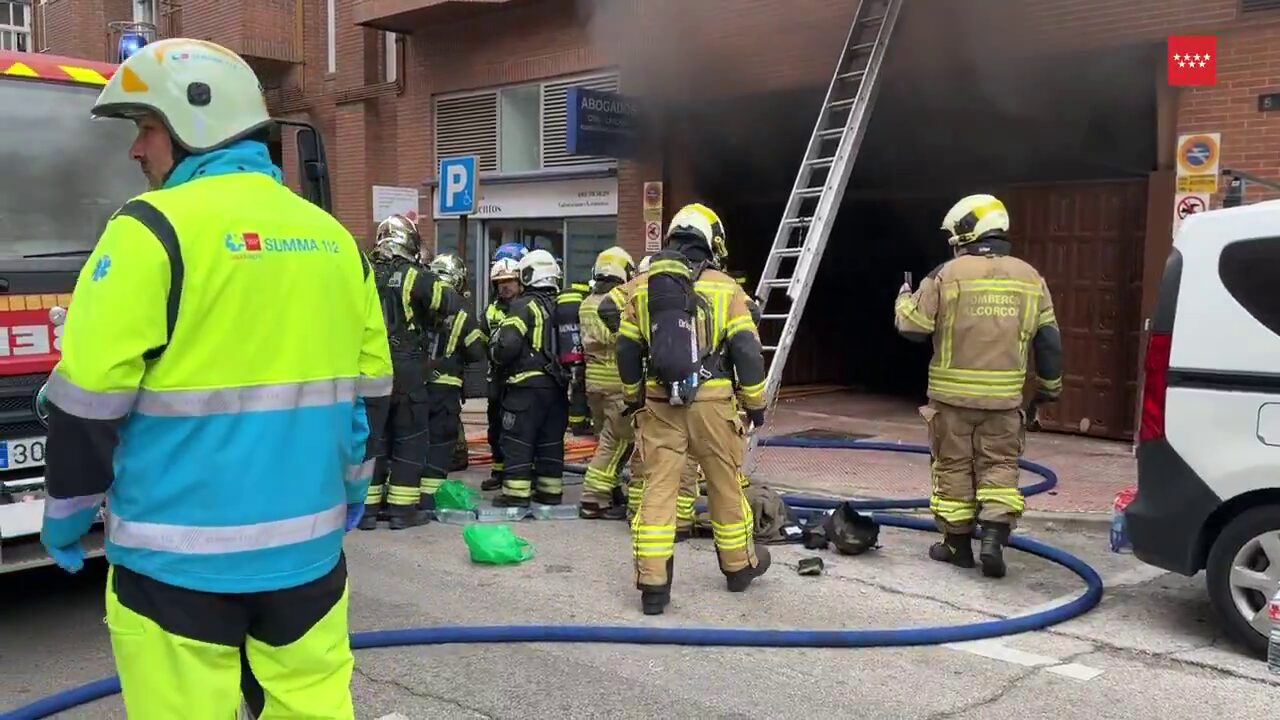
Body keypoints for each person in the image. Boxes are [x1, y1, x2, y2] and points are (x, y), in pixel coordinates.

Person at [37, 38, 391, 719]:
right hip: (308, 560)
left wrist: (66, 516)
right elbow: (368, 395)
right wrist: (352, 491)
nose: (136, 151)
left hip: (175, 568)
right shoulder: (334, 240)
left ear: (195, 122)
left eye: (145, 129)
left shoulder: (149, 231)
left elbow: (86, 403)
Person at [893, 193, 1063, 578]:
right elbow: (1049, 339)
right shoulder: (1030, 277)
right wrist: (1049, 389)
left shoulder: (945, 274)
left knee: (953, 467)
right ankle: (994, 538)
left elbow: (913, 328)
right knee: (1000, 466)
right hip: (1004, 401)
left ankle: (956, 546)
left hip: (951, 400)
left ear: (966, 230)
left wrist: (903, 299)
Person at [617, 203, 771, 615]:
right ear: (713, 240)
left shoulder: (642, 285)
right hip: (714, 405)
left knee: (658, 490)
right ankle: (738, 568)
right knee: (724, 484)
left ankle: (653, 587)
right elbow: (747, 352)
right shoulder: (726, 287)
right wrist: (755, 403)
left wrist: (634, 397)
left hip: (659, 405)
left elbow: (627, 350)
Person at [362, 214, 463, 530]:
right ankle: (402, 511)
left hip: (368, 367)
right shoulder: (414, 276)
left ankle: (366, 511)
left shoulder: (364, 273)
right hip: (406, 368)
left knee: (374, 440)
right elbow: (447, 302)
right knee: (410, 437)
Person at [599, 255, 703, 534]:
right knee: (686, 453)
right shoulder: (695, 284)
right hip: (690, 380)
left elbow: (611, 314)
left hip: (650, 384)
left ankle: (637, 511)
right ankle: (680, 521)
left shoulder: (637, 288)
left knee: (645, 450)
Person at [489, 249, 570, 507]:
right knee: (550, 441)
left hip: (525, 388)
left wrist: (495, 353)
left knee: (517, 439)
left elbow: (507, 346)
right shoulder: (562, 305)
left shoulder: (524, 306)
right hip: (557, 388)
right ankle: (549, 491)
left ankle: (516, 494)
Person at [418, 253, 486, 510]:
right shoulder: (460, 308)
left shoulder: (419, 299)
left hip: (415, 383)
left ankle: (404, 495)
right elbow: (475, 350)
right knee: (440, 441)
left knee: (413, 438)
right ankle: (429, 498)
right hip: (445, 388)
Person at [577, 246, 636, 519]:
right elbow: (626, 341)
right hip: (617, 386)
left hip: (594, 386)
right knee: (617, 442)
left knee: (606, 439)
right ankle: (594, 499)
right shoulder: (618, 302)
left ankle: (610, 490)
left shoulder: (587, 302)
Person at [479, 243, 526, 491]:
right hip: (497, 377)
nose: (505, 286)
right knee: (496, 426)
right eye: (500, 282)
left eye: (510, 281)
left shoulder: (528, 307)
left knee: (519, 429)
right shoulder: (490, 312)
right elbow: (482, 340)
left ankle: (519, 470)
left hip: (521, 378)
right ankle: (498, 470)